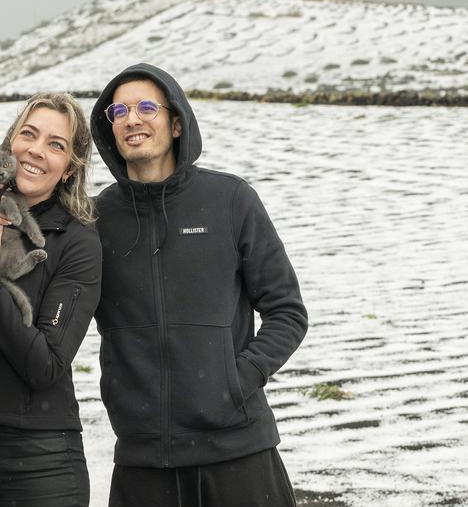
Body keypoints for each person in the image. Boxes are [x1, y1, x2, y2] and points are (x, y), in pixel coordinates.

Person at [90, 64, 309, 507]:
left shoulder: (230, 200)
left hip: (239, 450)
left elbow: (287, 311)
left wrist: (236, 379)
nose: (132, 119)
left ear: (175, 124)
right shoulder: (95, 220)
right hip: (143, 460)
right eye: (119, 111)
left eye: (146, 107)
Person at [0, 92, 103, 507]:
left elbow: (45, 364)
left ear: (70, 169)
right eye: (28, 134)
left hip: (41, 459)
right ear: (10, 143)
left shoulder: (77, 243)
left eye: (56, 144)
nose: (36, 150)